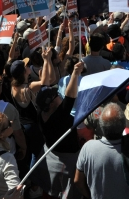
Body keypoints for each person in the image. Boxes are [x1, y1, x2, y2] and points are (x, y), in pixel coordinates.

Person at [33, 60, 83, 199]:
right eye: (57, 95)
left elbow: (45, 91)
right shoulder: (59, 117)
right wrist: (75, 74)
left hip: (50, 157)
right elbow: (70, 97)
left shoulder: (41, 113)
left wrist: (46, 60)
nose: (59, 96)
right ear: (54, 102)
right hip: (67, 161)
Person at [74, 103, 129, 199]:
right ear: (124, 126)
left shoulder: (87, 148)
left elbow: (77, 181)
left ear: (101, 126)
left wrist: (91, 195)